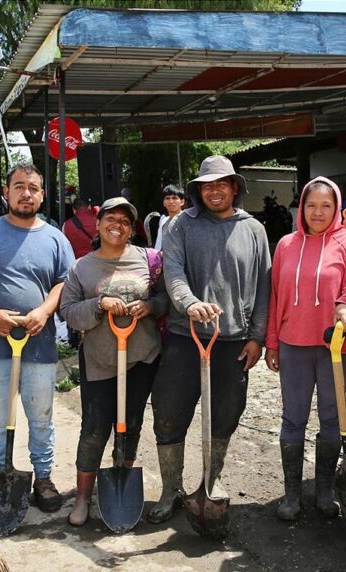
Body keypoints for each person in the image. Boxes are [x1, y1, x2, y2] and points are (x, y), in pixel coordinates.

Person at [146, 155, 271, 531]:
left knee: (225, 416)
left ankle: (209, 483)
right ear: (197, 191)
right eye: (207, 185)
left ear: (235, 187)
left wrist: (258, 337)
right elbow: (174, 273)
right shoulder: (181, 225)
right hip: (187, 338)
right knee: (169, 414)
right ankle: (171, 489)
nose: (215, 190)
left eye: (223, 184)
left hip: (233, 342)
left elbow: (264, 288)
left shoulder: (254, 230)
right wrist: (190, 304)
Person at [0, 164, 75, 512]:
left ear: (42, 194)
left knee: (41, 416)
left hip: (39, 348)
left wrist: (44, 311)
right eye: (19, 187)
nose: (26, 193)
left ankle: (43, 477)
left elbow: (63, 282)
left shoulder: (56, 238)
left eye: (33, 187)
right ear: (5, 193)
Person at [264, 177, 346, 521]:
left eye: (326, 206)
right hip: (293, 342)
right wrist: (272, 342)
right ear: (301, 208)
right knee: (293, 417)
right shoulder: (285, 245)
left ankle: (324, 491)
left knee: (330, 418)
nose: (318, 212)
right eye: (311, 205)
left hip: (336, 344)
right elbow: (276, 295)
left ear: (337, 207)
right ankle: (292, 495)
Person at [59, 197, 168, 526]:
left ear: (131, 227)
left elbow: (165, 298)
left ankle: (121, 480)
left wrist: (150, 307)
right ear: (98, 224)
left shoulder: (149, 260)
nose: (116, 225)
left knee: (131, 424)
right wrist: (99, 303)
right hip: (100, 361)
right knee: (94, 429)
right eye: (110, 219)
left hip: (142, 357)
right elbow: (68, 313)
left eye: (124, 220)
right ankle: (81, 499)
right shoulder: (82, 267)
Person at [154, 184, 187, 251]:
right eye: (167, 198)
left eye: (174, 198)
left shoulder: (188, 220)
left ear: (182, 202)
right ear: (164, 203)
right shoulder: (163, 222)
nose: (171, 201)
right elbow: (159, 245)